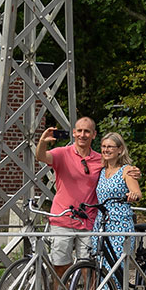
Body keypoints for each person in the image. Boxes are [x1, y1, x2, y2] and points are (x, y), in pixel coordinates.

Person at [35, 117, 101, 280]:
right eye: (79, 131)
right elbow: (41, 157)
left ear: (94, 134)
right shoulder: (62, 153)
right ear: (73, 133)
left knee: (89, 268)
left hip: (88, 221)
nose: (82, 135)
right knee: (61, 269)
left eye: (87, 131)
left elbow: (118, 168)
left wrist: (132, 172)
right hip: (62, 219)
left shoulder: (100, 159)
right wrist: (43, 141)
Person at [90, 132, 142, 290]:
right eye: (103, 146)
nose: (106, 150)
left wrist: (133, 195)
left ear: (120, 150)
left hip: (120, 224)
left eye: (110, 147)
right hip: (102, 225)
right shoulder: (101, 171)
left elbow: (137, 192)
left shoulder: (126, 170)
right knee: (103, 273)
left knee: (110, 276)